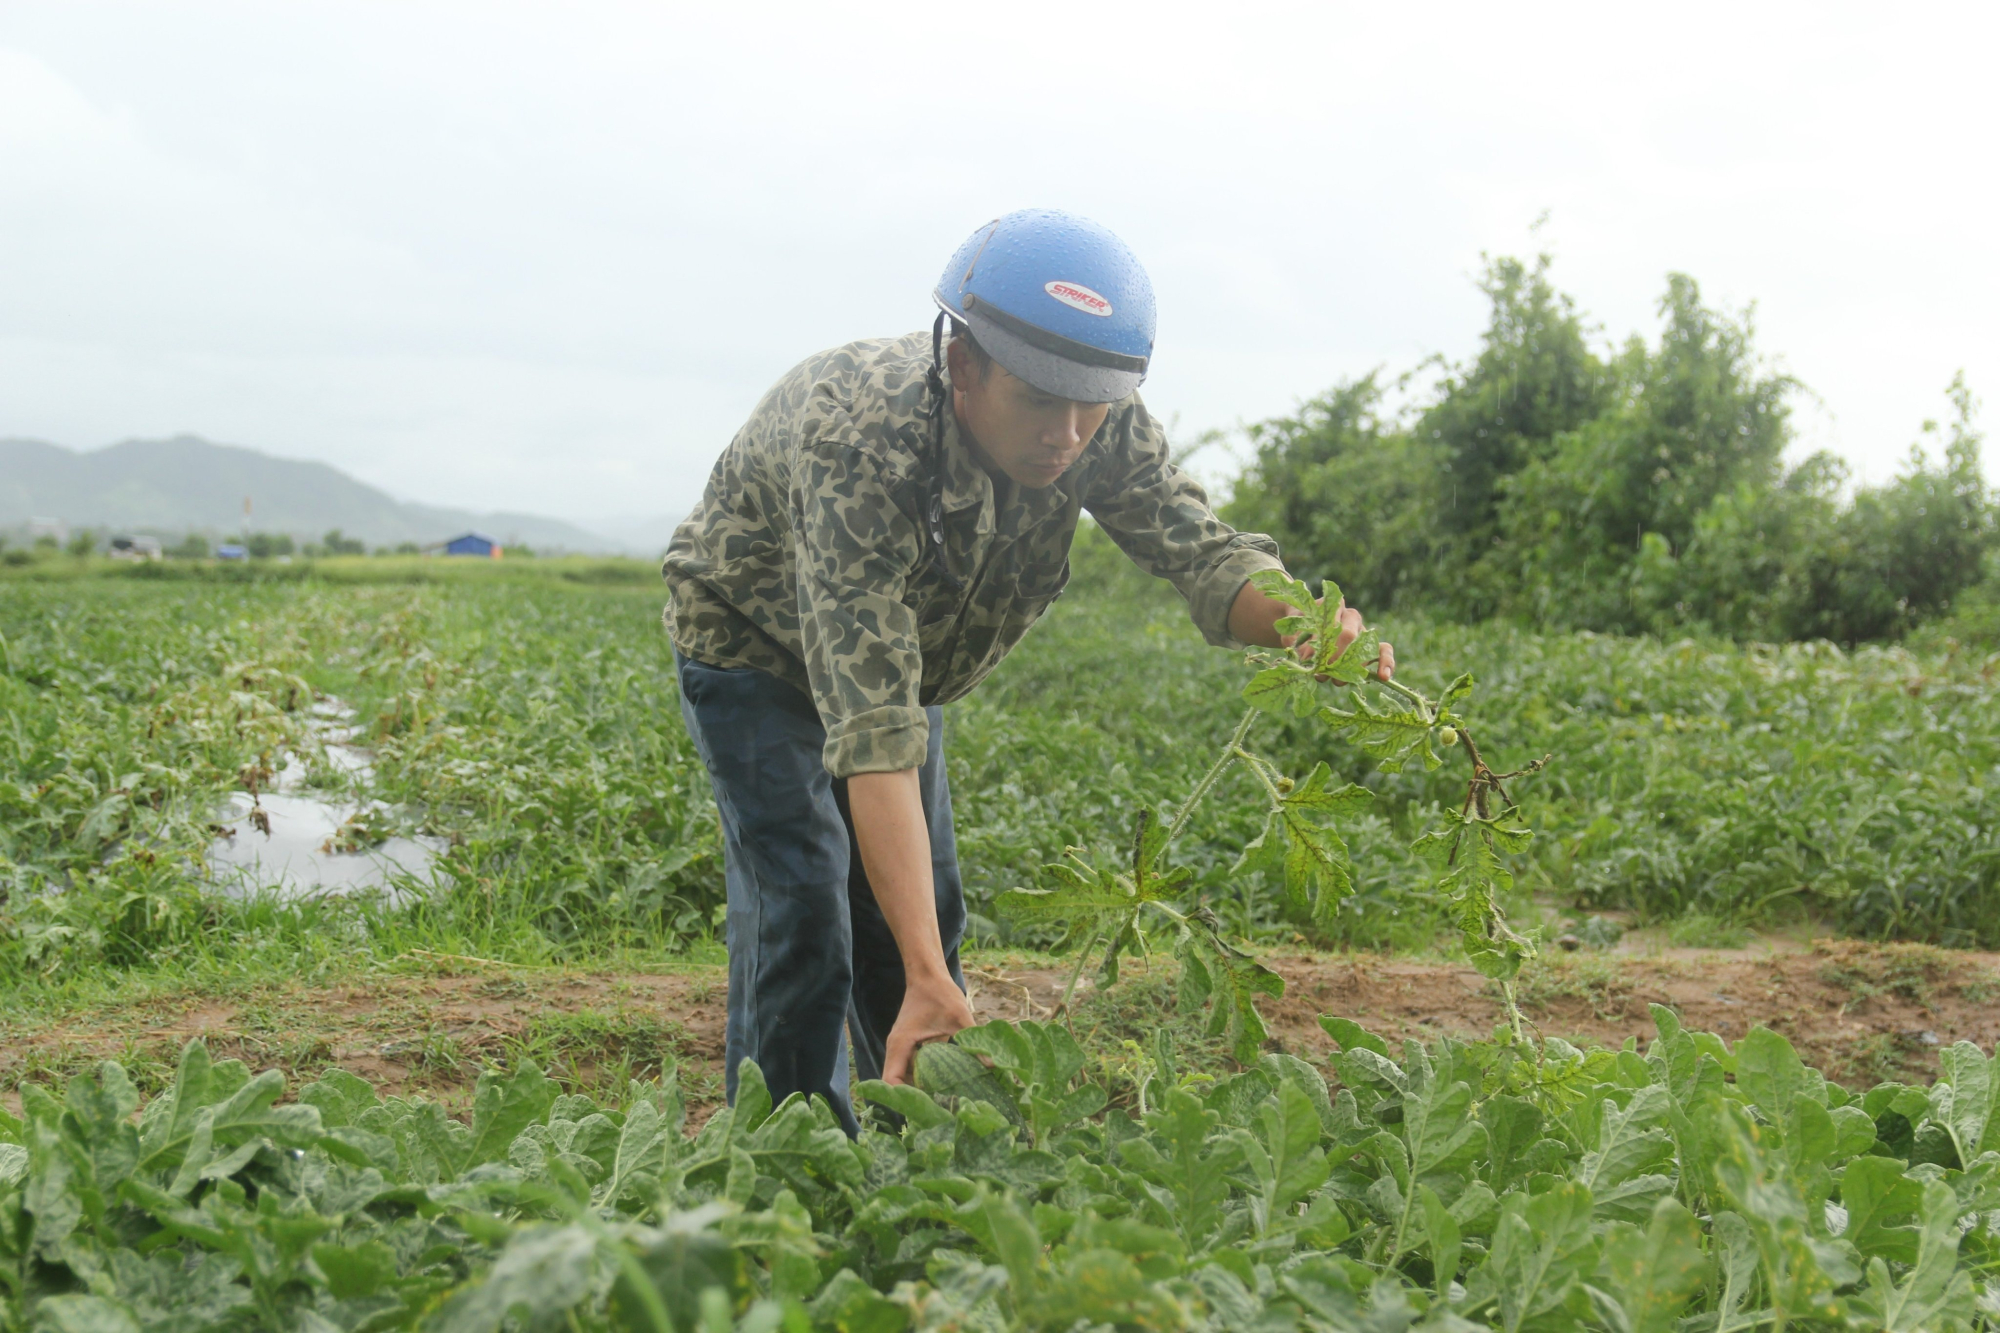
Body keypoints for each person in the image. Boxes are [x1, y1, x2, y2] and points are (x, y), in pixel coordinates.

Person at [662, 209, 1393, 1136]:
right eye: (1043, 399)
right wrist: (931, 975)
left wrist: (1305, 624)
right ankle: (784, 1163)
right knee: (807, 903)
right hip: (752, 644)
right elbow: (873, 729)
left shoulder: (1096, 421)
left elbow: (1199, 551)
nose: (1071, 431)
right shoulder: (864, 442)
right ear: (963, 366)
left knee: (917, 919)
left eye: (1092, 402)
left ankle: (914, 1156)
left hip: (903, 666)